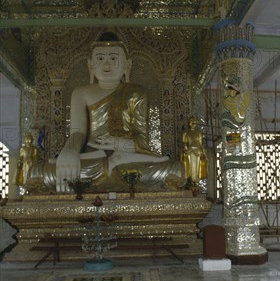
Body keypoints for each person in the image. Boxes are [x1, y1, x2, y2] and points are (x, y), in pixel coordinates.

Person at [26, 32, 184, 193]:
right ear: (91, 65)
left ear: (126, 65)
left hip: (126, 159)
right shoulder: (80, 93)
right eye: (100, 59)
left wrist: (119, 144)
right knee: (39, 174)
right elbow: (78, 133)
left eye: (114, 59)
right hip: (92, 158)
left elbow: (142, 139)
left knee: (174, 170)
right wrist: (69, 152)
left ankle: (111, 169)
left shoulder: (137, 93)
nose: (106, 64)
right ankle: (111, 171)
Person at [181, 117, 208, 183]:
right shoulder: (186, 133)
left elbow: (201, 143)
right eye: (191, 122)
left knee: (197, 166)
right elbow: (184, 143)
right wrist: (185, 147)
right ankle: (191, 180)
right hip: (190, 151)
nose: (193, 123)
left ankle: (196, 180)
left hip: (198, 150)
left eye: (194, 122)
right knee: (191, 166)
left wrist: (203, 152)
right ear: (189, 123)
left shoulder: (199, 132)